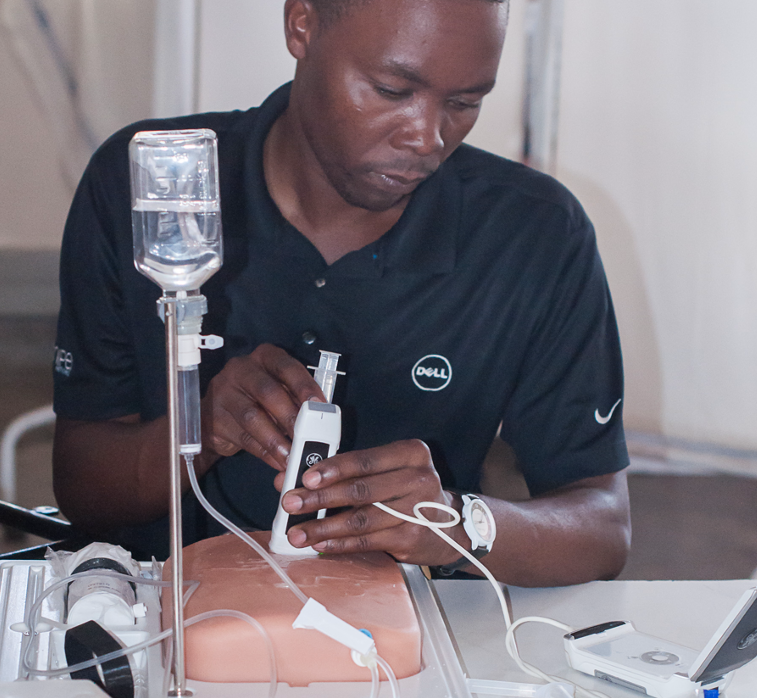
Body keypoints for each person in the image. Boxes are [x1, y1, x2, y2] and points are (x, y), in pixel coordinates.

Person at [53, 0, 631, 586]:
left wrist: (459, 524)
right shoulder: (155, 190)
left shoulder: (532, 234)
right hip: (162, 619)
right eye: (390, 90)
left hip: (407, 647)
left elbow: (602, 524)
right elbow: (83, 489)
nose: (427, 138)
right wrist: (195, 431)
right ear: (301, 23)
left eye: (464, 103)